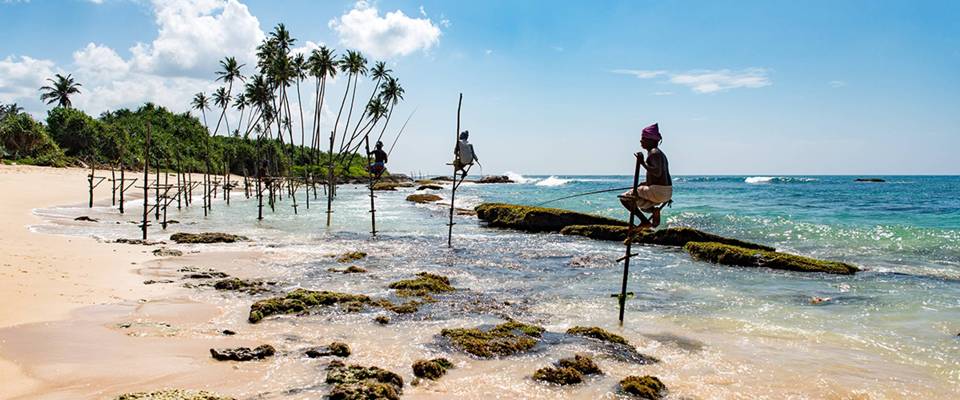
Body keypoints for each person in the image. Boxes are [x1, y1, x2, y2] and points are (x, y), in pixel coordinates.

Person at [619, 123, 672, 229]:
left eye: (643, 138)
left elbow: (657, 172)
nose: (641, 141)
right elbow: (660, 176)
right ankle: (654, 210)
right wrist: (646, 183)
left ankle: (644, 222)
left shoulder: (653, 152)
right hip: (666, 192)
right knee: (641, 205)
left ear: (651, 140)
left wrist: (642, 163)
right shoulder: (660, 153)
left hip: (657, 191)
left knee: (624, 198)